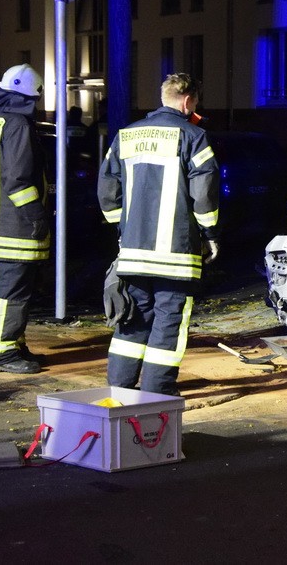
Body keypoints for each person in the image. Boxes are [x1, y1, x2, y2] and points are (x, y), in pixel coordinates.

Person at [97, 73, 220, 395]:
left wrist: (122, 229)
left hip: (133, 250)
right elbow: (204, 194)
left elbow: (108, 189)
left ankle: (119, 387)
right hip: (176, 254)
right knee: (169, 321)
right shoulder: (194, 136)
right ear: (187, 100)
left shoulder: (126, 135)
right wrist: (209, 234)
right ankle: (157, 389)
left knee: (132, 316)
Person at [0, 64, 50, 374]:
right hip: (18, 229)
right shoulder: (18, 125)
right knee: (13, 292)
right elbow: (18, 180)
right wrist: (37, 217)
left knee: (10, 290)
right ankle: (3, 354)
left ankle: (13, 344)